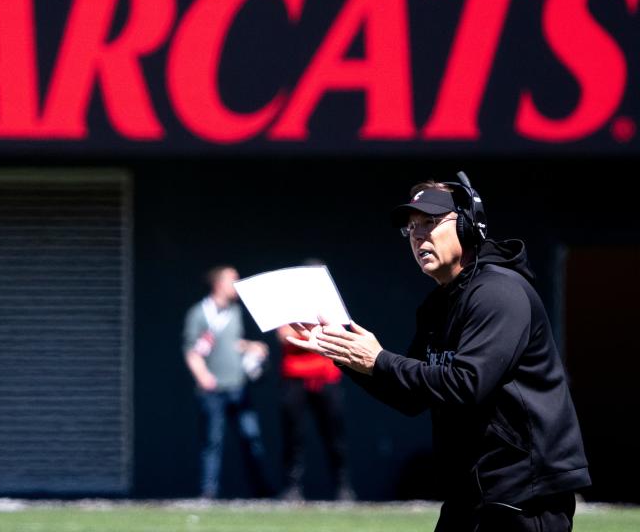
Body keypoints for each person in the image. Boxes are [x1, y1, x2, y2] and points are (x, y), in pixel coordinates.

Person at [288, 172, 591, 531]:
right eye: (411, 228)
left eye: (430, 222)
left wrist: (380, 360)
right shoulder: (440, 303)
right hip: (472, 494)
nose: (417, 235)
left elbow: (467, 384)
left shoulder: (498, 292)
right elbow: (410, 396)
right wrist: (342, 351)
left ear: (467, 225)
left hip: (522, 497)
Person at [183, 265, 274, 499]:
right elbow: (191, 349)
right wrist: (203, 377)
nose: (237, 285)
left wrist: (252, 346)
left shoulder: (234, 312)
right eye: (232, 280)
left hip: (238, 387)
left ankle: (261, 491)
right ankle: (208, 491)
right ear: (218, 284)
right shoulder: (199, 312)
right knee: (212, 441)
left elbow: (234, 343)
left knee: (251, 437)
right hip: (212, 389)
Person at [275, 258, 355, 502]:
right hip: (295, 377)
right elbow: (284, 335)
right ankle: (292, 488)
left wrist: (311, 334)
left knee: (334, 435)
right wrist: (315, 333)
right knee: (293, 436)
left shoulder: (330, 302)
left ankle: (343, 487)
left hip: (325, 376)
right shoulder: (289, 302)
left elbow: (339, 333)